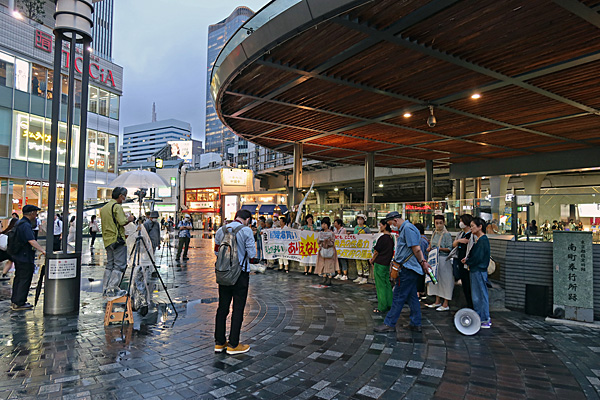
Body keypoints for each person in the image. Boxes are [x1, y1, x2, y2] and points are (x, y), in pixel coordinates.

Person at [374, 211, 431, 333]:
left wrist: (423, 262)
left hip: (408, 269)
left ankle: (389, 323)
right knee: (412, 297)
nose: (391, 227)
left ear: (395, 221)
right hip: (409, 268)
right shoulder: (407, 228)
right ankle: (416, 323)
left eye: (391, 224)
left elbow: (416, 249)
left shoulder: (408, 229)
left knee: (398, 296)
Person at [214, 209, 256, 355]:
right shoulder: (246, 231)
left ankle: (219, 342)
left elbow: (216, 252)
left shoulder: (221, 230)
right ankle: (233, 344)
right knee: (238, 309)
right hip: (240, 274)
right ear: (248, 220)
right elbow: (252, 254)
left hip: (224, 273)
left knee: (222, 308)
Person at [99, 187, 134, 297]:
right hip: (117, 240)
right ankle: (112, 289)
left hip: (107, 240)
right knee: (119, 265)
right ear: (120, 196)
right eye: (124, 196)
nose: (125, 198)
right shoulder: (117, 207)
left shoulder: (104, 208)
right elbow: (122, 222)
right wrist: (130, 218)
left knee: (110, 265)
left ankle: (105, 288)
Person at [10, 205, 46, 311]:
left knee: (19, 278)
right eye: (36, 213)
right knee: (24, 279)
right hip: (25, 256)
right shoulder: (25, 225)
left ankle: (15, 300)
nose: (36, 215)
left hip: (18, 255)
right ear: (32, 213)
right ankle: (20, 302)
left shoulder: (19, 223)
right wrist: (43, 250)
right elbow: (31, 240)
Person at [463, 217, 491, 328]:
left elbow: (478, 257)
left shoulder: (482, 240)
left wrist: (468, 261)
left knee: (480, 295)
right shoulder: (479, 239)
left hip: (478, 270)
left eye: (473, 226)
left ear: (480, 227)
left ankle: (484, 318)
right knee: (477, 295)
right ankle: (480, 317)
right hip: (476, 270)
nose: (471, 228)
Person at [426, 215, 454, 311]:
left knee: (446, 281)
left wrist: (439, 249)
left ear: (444, 223)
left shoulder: (447, 234)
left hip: (443, 260)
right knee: (435, 281)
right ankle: (437, 301)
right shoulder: (434, 233)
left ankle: (445, 303)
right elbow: (431, 244)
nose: (438, 225)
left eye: (440, 223)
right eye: (437, 223)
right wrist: (430, 248)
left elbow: (449, 248)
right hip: (434, 260)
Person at [369, 220, 394, 313]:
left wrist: (372, 260)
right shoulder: (391, 238)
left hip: (379, 263)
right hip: (386, 263)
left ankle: (382, 306)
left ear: (385, 226)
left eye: (381, 225)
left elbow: (376, 251)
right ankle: (389, 303)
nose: (380, 227)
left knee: (380, 286)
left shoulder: (383, 238)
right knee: (387, 283)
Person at [453, 214, 473, 309]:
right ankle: (468, 303)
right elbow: (454, 244)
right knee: (464, 283)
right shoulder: (460, 234)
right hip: (459, 260)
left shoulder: (472, 235)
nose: (460, 223)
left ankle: (471, 305)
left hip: (468, 262)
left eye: (461, 221)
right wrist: (459, 241)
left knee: (469, 284)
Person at [315, 217, 337, 286]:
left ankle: (329, 278)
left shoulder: (331, 233)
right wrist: (320, 240)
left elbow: (332, 242)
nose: (323, 225)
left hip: (329, 249)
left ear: (328, 225)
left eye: (325, 224)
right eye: (322, 224)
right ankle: (324, 277)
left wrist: (327, 241)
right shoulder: (321, 233)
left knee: (330, 264)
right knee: (323, 263)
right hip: (323, 249)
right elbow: (318, 241)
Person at [353, 214, 371, 284]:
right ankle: (359, 275)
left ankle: (365, 276)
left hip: (363, 247)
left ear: (364, 220)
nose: (359, 221)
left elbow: (369, 237)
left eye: (361, 219)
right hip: (357, 247)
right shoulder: (356, 227)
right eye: (358, 219)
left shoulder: (366, 228)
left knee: (364, 261)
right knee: (358, 261)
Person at [414, 223, 428, 300]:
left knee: (419, 278)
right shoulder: (425, 239)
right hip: (424, 261)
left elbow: (420, 251)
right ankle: (421, 293)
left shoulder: (420, 240)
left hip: (421, 262)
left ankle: (419, 293)